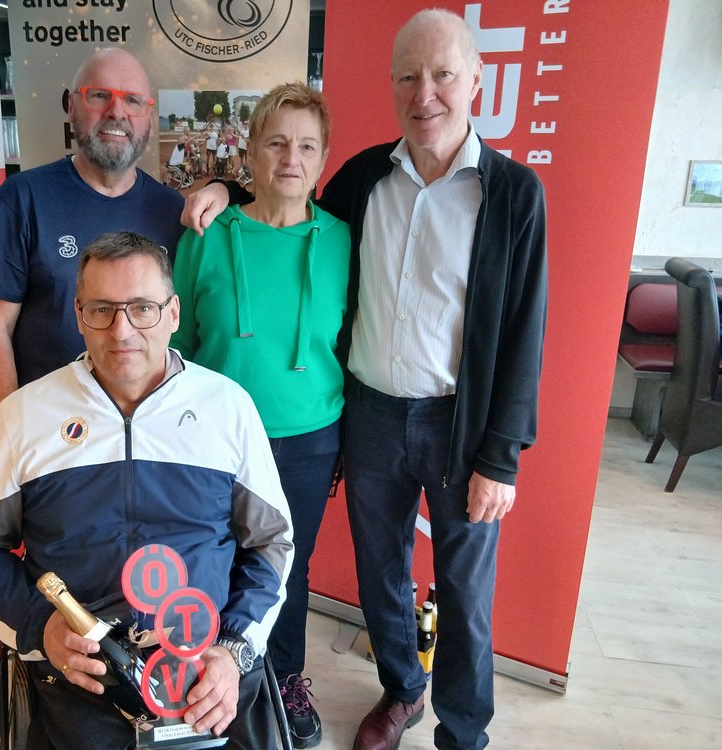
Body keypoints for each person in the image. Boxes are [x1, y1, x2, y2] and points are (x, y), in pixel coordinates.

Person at [181, 9, 548, 750]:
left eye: (442, 75)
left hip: (459, 423)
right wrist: (218, 183)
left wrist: (502, 456)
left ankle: (464, 733)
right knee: (381, 574)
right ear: (392, 86)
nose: (425, 93)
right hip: (372, 416)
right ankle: (403, 692)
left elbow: (524, 329)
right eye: (408, 77)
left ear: (476, 80)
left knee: (465, 590)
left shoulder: (513, 192)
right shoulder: (366, 177)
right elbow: (284, 198)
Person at [0, 231, 294, 750]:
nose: (122, 330)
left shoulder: (228, 408)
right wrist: (41, 626)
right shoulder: (27, 414)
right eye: (102, 310)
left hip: (207, 669)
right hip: (83, 676)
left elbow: (271, 543)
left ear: (173, 313)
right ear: (78, 314)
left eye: (142, 309)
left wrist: (233, 649)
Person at [171, 81, 349, 750]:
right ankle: (209, 680)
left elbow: (350, 343)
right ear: (249, 151)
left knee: (286, 570)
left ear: (323, 158)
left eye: (306, 146)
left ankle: (285, 678)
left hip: (308, 438)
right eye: (276, 142)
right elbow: (177, 343)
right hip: (215, 437)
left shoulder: (344, 241)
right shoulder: (206, 234)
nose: (290, 158)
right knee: (212, 561)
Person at [0, 48, 184, 413]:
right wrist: (10, 429)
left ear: (148, 117)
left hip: (148, 425)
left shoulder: (173, 211)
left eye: (133, 100)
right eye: (100, 95)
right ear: (72, 105)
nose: (117, 112)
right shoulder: (22, 199)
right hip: (50, 425)